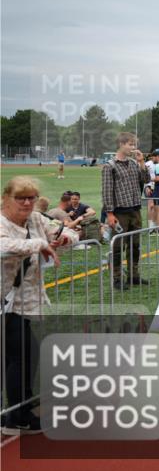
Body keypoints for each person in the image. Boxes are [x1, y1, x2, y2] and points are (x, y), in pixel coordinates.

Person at [1, 176, 76, 435]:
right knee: (21, 354)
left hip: (20, 300)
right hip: (5, 299)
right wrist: (39, 244)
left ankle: (20, 410)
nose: (26, 202)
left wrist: (64, 239)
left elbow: (66, 231)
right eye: (20, 197)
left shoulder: (35, 219)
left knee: (21, 354)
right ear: (5, 199)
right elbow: (4, 246)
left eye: (31, 197)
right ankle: (15, 415)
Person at [100, 132, 150, 288]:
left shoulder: (134, 163)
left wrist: (142, 162)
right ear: (121, 144)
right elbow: (107, 191)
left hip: (135, 209)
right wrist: (109, 214)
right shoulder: (110, 166)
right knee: (118, 247)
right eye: (130, 144)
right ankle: (117, 278)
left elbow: (146, 180)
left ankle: (134, 276)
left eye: (134, 144)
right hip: (119, 212)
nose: (133, 148)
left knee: (135, 245)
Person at [144, 153, 156, 224]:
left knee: (156, 206)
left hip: (157, 186)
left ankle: (155, 225)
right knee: (151, 205)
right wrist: (146, 187)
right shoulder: (148, 164)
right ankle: (151, 228)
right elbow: (144, 176)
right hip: (149, 186)